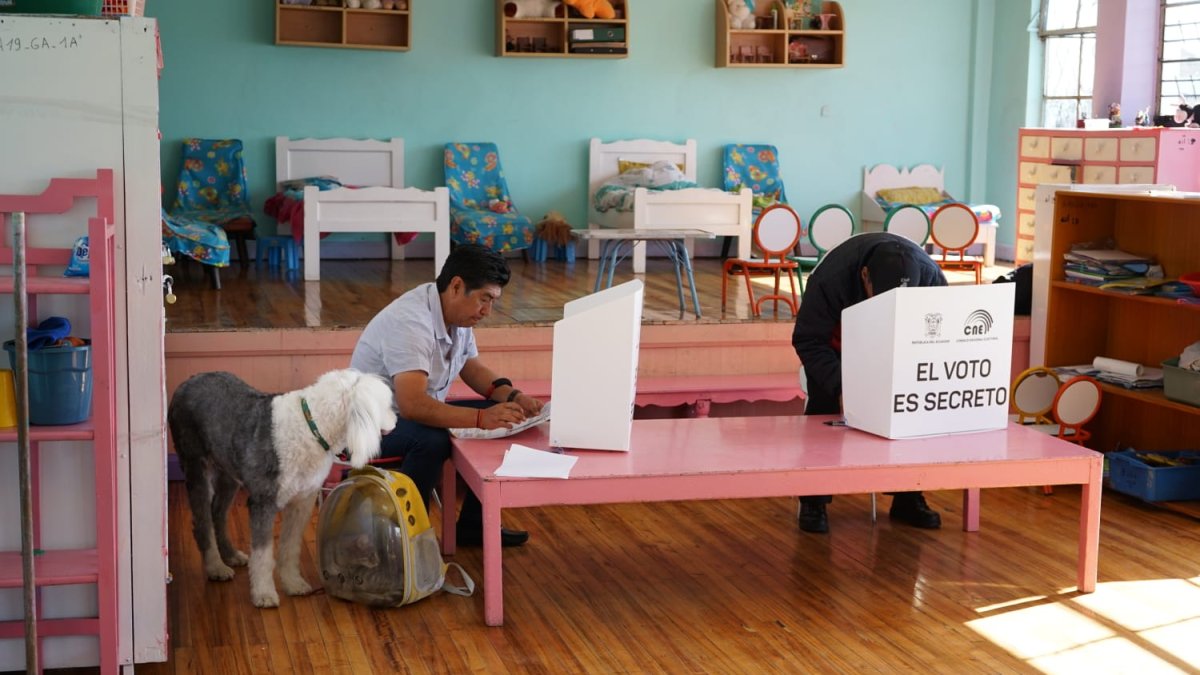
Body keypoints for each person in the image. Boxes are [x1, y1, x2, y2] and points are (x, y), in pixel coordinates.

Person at [350, 244, 544, 547]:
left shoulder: (456, 314)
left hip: (407, 416)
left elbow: (471, 367)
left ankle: (474, 527)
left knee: (508, 418)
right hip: (370, 426)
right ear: (456, 286)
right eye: (484, 299)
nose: (487, 311)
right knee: (431, 440)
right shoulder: (411, 322)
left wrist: (513, 397)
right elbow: (412, 405)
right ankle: (407, 537)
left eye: (492, 301)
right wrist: (480, 418)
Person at [791, 232, 946, 534]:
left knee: (910, 414)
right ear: (865, 276)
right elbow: (809, 340)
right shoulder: (831, 278)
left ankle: (908, 497)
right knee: (823, 413)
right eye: (884, 297)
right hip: (837, 349)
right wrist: (842, 387)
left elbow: (940, 337)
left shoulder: (930, 278)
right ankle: (813, 499)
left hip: (899, 348)